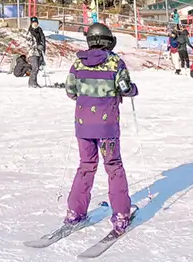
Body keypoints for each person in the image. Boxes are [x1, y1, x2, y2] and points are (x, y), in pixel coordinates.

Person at [63, 22, 138, 237]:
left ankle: (75, 212)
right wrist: (133, 90)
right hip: (107, 126)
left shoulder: (78, 63)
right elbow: (125, 88)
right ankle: (121, 214)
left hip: (83, 125)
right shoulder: (115, 62)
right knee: (113, 166)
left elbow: (70, 90)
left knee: (86, 165)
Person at [25, 16, 46, 88]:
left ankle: (34, 82)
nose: (35, 24)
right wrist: (37, 46)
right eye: (33, 23)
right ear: (31, 23)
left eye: (36, 22)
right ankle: (32, 82)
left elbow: (43, 40)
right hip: (32, 52)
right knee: (35, 67)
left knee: (37, 68)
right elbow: (29, 43)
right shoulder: (29, 32)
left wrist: (42, 47)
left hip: (39, 52)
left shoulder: (40, 31)